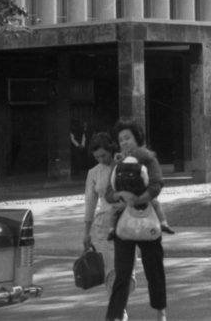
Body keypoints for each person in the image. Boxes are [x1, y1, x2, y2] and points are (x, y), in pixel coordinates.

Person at [105, 119, 168, 321]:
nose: (124, 142)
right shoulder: (117, 162)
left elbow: (156, 184)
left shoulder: (148, 159)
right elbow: (108, 193)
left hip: (147, 220)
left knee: (154, 270)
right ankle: (114, 316)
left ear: (137, 138)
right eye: (120, 139)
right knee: (122, 274)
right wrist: (120, 195)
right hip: (123, 225)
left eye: (127, 138)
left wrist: (136, 200)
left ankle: (160, 312)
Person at [83, 132, 132, 297]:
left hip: (127, 223)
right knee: (111, 271)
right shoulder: (93, 173)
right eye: (97, 157)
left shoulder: (125, 163)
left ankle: (120, 306)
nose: (101, 160)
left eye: (103, 155)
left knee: (126, 270)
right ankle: (119, 311)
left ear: (111, 149)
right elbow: (90, 203)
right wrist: (86, 232)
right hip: (103, 227)